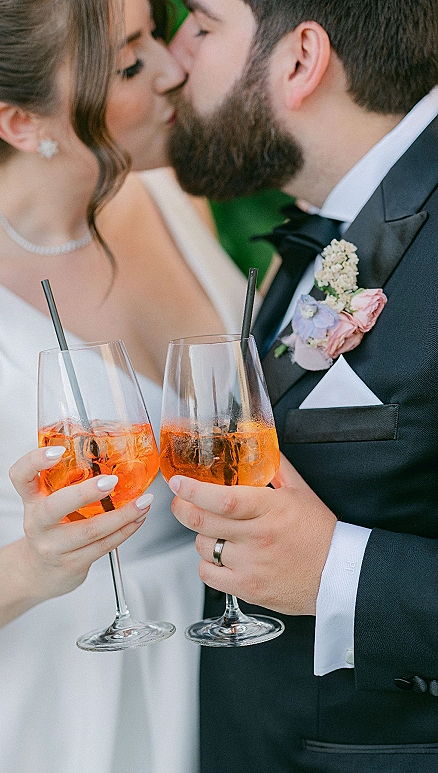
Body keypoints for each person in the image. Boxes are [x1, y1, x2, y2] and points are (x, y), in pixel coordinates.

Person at [0, 0, 249, 771]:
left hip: (212, 695)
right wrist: (31, 567)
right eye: (132, 62)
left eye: (155, 34)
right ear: (18, 123)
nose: (175, 70)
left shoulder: (169, 194)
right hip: (38, 724)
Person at [164, 0, 438, 770]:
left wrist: (336, 571)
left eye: (203, 23)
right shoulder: (335, 222)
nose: (173, 54)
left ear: (299, 60)